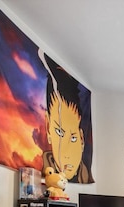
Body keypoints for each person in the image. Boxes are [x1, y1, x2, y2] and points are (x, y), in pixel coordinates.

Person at [40, 51, 93, 183]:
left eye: (73, 138)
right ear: (48, 128)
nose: (67, 153)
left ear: (82, 138)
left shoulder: (84, 174)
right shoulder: (44, 172)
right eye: (59, 132)